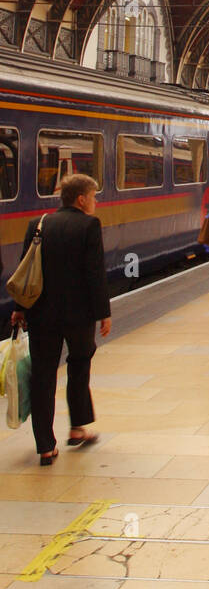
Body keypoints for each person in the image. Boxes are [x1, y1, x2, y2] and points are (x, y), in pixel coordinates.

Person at [9, 174, 111, 466]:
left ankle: (45, 446)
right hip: (79, 316)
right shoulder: (89, 225)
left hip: (41, 314)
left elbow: (25, 270)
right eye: (93, 196)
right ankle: (78, 428)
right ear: (81, 199)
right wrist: (103, 312)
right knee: (79, 367)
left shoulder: (38, 224)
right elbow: (95, 273)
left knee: (42, 376)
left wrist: (20, 308)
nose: (96, 202)